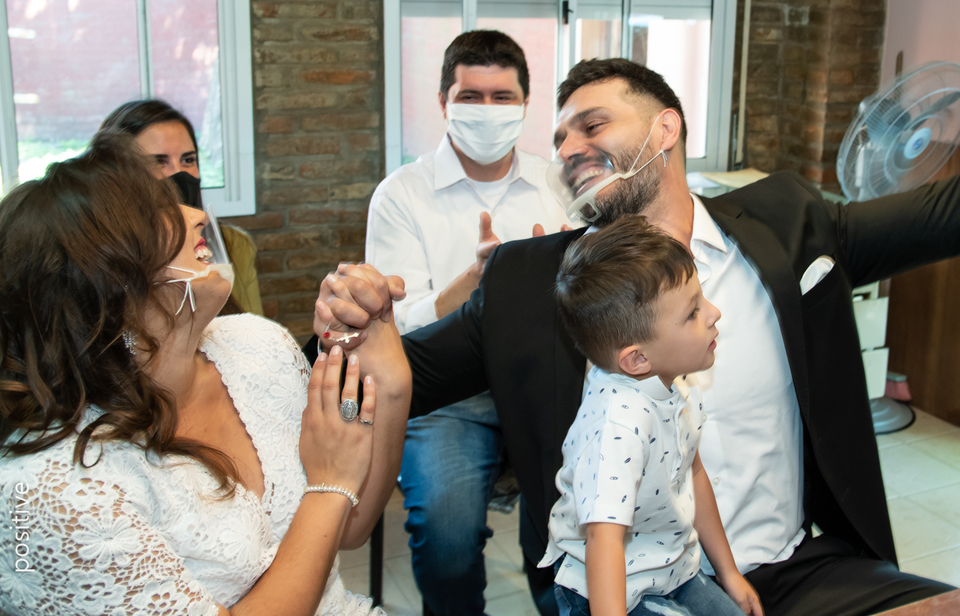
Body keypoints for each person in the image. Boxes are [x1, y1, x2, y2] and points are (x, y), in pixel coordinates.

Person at [314, 48, 960, 616]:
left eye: (593, 123)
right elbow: (404, 375)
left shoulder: (786, 223)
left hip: (804, 569)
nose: (572, 146)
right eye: (562, 136)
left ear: (666, 129)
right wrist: (349, 328)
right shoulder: (527, 283)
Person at [0, 133, 411, 615]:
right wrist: (327, 486)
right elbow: (333, 493)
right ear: (105, 281)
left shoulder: (257, 345)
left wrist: (387, 371)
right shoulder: (44, 492)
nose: (196, 214)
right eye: (156, 213)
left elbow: (352, 525)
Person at [365, 30, 568, 616]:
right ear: (442, 102)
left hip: (543, 386)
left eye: (502, 97)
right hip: (450, 399)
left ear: (526, 105)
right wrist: (478, 286)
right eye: (470, 96)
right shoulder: (401, 195)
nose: (487, 110)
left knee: (568, 537)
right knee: (449, 546)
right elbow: (395, 327)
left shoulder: (558, 184)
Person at [541, 216, 761, 616]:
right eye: (692, 313)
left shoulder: (677, 386)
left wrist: (729, 573)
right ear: (637, 359)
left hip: (673, 569)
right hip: (609, 591)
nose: (713, 314)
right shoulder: (617, 428)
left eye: (702, 298)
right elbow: (603, 540)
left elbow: (692, 473)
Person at [100, 99, 264, 316]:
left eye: (188, 160)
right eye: (158, 161)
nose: (178, 174)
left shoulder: (233, 245)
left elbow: (255, 333)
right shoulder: (102, 255)